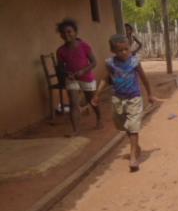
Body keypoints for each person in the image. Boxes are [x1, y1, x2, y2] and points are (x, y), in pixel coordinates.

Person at [92, 34, 157, 172]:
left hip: (134, 98)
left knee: (133, 125)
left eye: (126, 49)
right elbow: (105, 79)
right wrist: (97, 94)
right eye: (119, 50)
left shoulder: (134, 62)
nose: (124, 53)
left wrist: (150, 94)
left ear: (129, 48)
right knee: (122, 125)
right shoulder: (110, 63)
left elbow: (144, 78)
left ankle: (133, 156)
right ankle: (136, 146)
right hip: (118, 99)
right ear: (113, 51)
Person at [56, 18, 101, 135]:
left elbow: (94, 62)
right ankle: (76, 130)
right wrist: (67, 73)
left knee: (92, 100)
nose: (66, 35)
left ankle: (99, 119)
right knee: (73, 103)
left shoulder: (84, 46)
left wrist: (83, 71)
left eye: (69, 31)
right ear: (60, 35)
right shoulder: (60, 51)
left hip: (86, 77)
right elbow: (60, 67)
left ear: (75, 32)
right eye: (63, 33)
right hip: (72, 79)